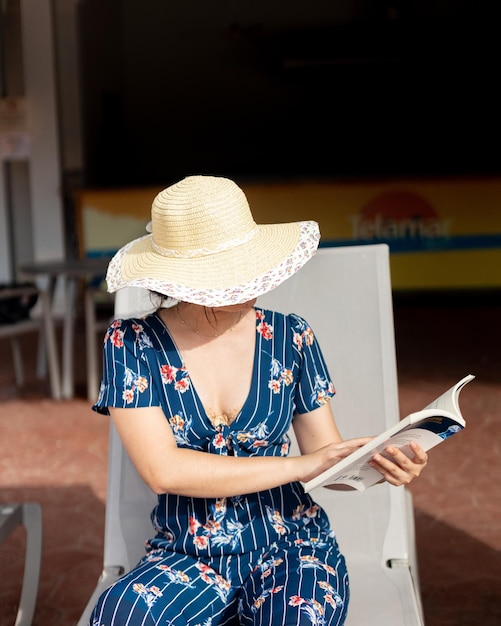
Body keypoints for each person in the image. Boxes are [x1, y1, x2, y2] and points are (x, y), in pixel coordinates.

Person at [90, 175, 427, 626]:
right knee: (119, 616)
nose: (255, 277)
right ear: (185, 278)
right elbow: (163, 471)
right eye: (234, 266)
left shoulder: (291, 338)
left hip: (292, 547)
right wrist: (302, 466)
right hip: (187, 554)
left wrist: (378, 465)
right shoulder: (132, 344)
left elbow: (327, 459)